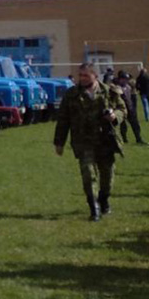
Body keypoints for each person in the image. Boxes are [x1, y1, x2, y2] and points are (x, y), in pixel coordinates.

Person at [53, 65, 128, 220]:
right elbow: (63, 119)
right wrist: (59, 142)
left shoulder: (109, 92)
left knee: (107, 175)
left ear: (95, 76)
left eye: (86, 76)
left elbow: (123, 109)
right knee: (88, 173)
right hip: (83, 141)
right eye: (80, 75)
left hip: (106, 140)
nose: (82, 78)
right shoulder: (72, 94)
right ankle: (94, 207)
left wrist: (115, 116)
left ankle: (104, 199)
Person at [114, 70, 144, 144]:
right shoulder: (117, 88)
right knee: (123, 125)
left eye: (126, 79)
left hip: (130, 108)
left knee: (135, 124)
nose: (125, 81)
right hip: (121, 109)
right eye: (124, 79)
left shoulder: (128, 87)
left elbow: (130, 97)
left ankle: (138, 138)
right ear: (120, 79)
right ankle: (124, 139)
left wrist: (132, 107)